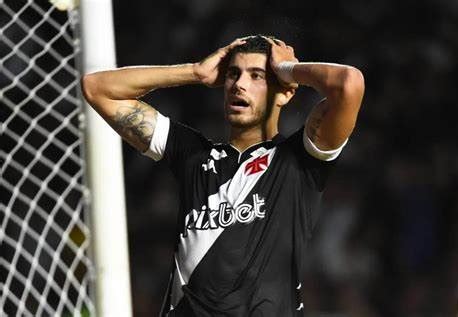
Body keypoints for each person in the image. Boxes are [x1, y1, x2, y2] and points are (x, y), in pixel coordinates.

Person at [81, 35, 364, 316]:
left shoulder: (297, 161)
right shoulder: (193, 155)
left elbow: (348, 84)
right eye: (232, 74)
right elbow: (97, 88)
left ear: (286, 93)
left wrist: (289, 69)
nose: (239, 85)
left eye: (258, 76)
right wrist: (194, 72)